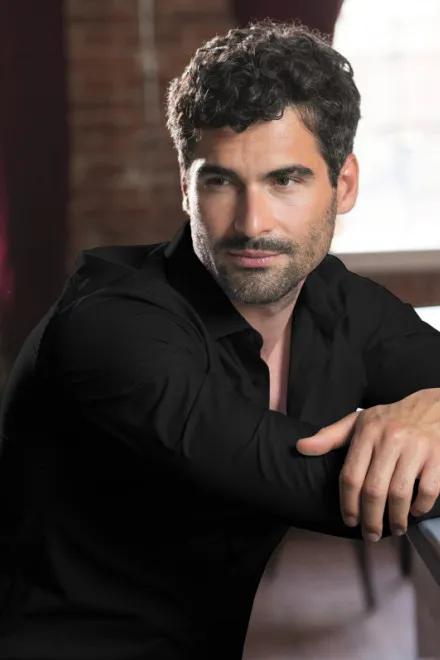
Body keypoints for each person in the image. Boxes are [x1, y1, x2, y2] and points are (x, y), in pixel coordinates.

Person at [1, 19, 440, 660]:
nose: (251, 223)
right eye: (220, 181)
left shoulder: (338, 303)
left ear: (343, 185)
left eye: (285, 180)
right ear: (185, 186)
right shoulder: (109, 326)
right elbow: (341, 486)